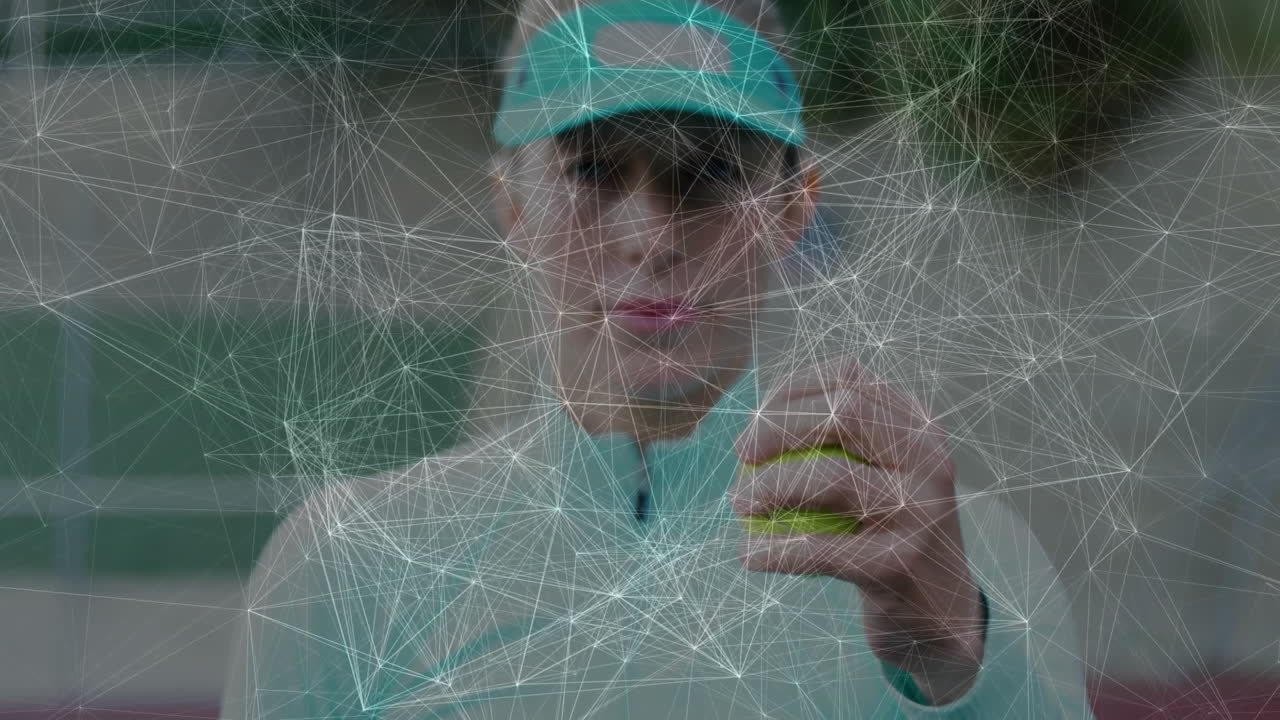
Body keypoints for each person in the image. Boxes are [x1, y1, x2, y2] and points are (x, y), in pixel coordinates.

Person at [219, 0, 1095, 717]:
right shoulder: (348, 567)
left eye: (709, 172)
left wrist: (958, 668)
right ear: (513, 206)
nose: (651, 237)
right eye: (592, 171)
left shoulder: (960, 561)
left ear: (793, 209)